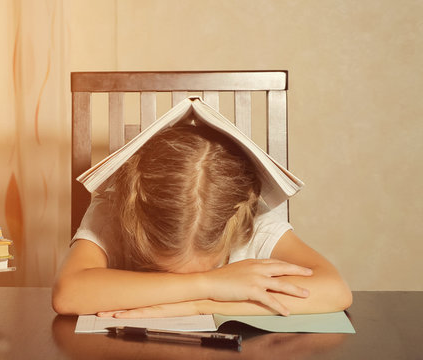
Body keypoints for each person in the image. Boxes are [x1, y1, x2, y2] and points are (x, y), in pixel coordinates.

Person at [52, 123, 352, 318]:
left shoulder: (255, 222)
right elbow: (69, 294)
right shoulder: (112, 211)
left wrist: (199, 305)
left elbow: (334, 290)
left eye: (208, 267)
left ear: (234, 225)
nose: (182, 280)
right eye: (163, 272)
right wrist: (208, 282)